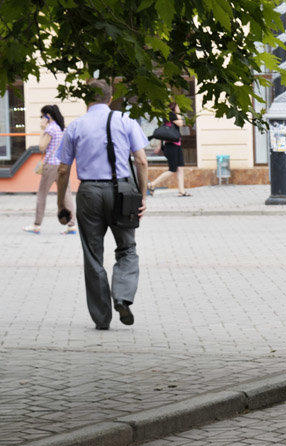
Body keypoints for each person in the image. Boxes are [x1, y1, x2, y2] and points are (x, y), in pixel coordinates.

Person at [55, 79, 149, 330]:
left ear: (86, 99)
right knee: (127, 248)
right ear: (111, 97)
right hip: (123, 191)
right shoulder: (126, 122)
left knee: (93, 255)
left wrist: (61, 205)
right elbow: (141, 161)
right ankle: (122, 296)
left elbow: (63, 170)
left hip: (89, 192)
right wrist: (143, 195)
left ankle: (102, 318)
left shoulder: (75, 126)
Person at [25, 105, 77, 235]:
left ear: (47, 116)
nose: (41, 119)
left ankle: (37, 225)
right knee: (66, 195)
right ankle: (72, 225)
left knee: (42, 195)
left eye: (42, 116)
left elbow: (42, 147)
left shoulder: (50, 128)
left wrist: (43, 129)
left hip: (51, 166)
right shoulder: (62, 128)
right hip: (62, 165)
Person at [147, 102, 188, 196]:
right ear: (174, 107)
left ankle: (181, 191)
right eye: (178, 106)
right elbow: (181, 123)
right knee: (172, 169)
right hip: (171, 146)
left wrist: (159, 145)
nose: (179, 108)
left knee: (180, 168)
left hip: (176, 145)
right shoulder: (171, 115)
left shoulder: (170, 117)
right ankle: (151, 184)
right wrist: (178, 113)